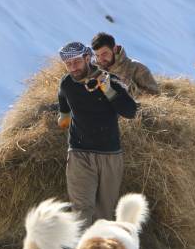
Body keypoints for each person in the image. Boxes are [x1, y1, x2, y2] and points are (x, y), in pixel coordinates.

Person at [57, 41, 139, 224]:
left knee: (105, 213)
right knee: (81, 210)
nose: (72, 68)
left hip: (109, 155)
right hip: (79, 154)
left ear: (87, 58)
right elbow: (63, 97)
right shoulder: (67, 83)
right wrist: (63, 114)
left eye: (76, 62)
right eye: (68, 64)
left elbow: (130, 111)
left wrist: (107, 90)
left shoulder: (110, 80)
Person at [90, 32, 160, 96]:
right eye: (97, 55)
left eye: (104, 54)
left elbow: (155, 95)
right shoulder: (92, 69)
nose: (100, 59)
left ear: (114, 49)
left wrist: (127, 89)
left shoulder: (137, 68)